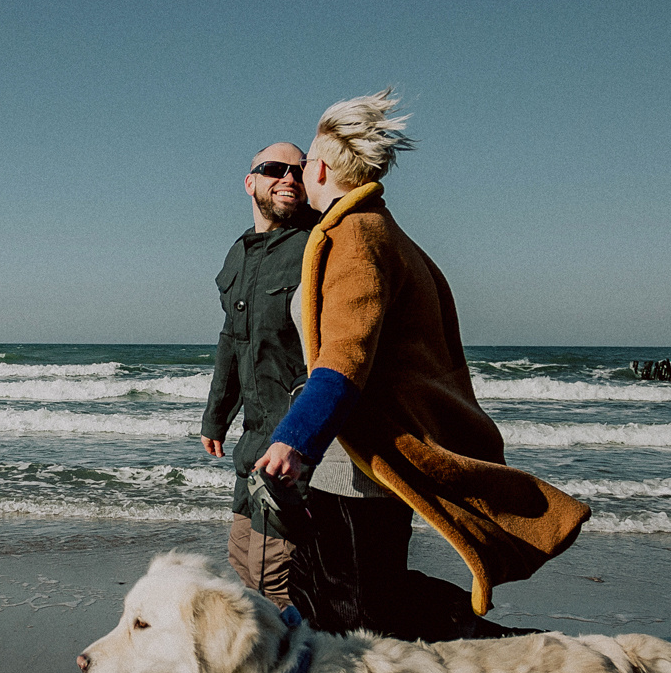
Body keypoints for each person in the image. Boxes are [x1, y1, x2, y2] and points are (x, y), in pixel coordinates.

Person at [254, 90, 588, 638]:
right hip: (352, 457)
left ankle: (519, 655)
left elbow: (344, 359)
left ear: (318, 168)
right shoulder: (379, 231)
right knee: (331, 598)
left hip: (356, 465)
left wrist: (296, 438)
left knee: (361, 615)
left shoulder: (354, 237)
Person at [200, 142, 315, 606]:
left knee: (276, 577)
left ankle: (309, 668)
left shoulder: (316, 245)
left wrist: (302, 437)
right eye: (274, 169)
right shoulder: (237, 255)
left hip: (293, 444)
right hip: (252, 441)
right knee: (243, 557)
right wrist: (216, 416)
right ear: (250, 182)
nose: (289, 178)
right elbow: (232, 339)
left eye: (299, 171)